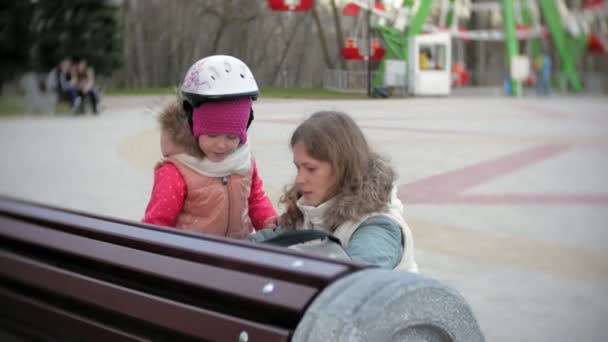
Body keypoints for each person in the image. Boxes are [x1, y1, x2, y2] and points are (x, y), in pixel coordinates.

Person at [252, 111, 418, 271]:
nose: (299, 179)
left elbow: (351, 284)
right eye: (298, 167)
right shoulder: (308, 211)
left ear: (344, 168)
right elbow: (251, 246)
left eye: (311, 169)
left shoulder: (377, 228)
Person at [142, 55, 278, 238]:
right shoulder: (176, 171)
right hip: (194, 258)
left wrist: (268, 220)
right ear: (192, 123)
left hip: (240, 252)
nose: (221, 145)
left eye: (232, 136)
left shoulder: (244, 161)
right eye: (212, 135)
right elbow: (157, 225)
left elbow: (254, 199)